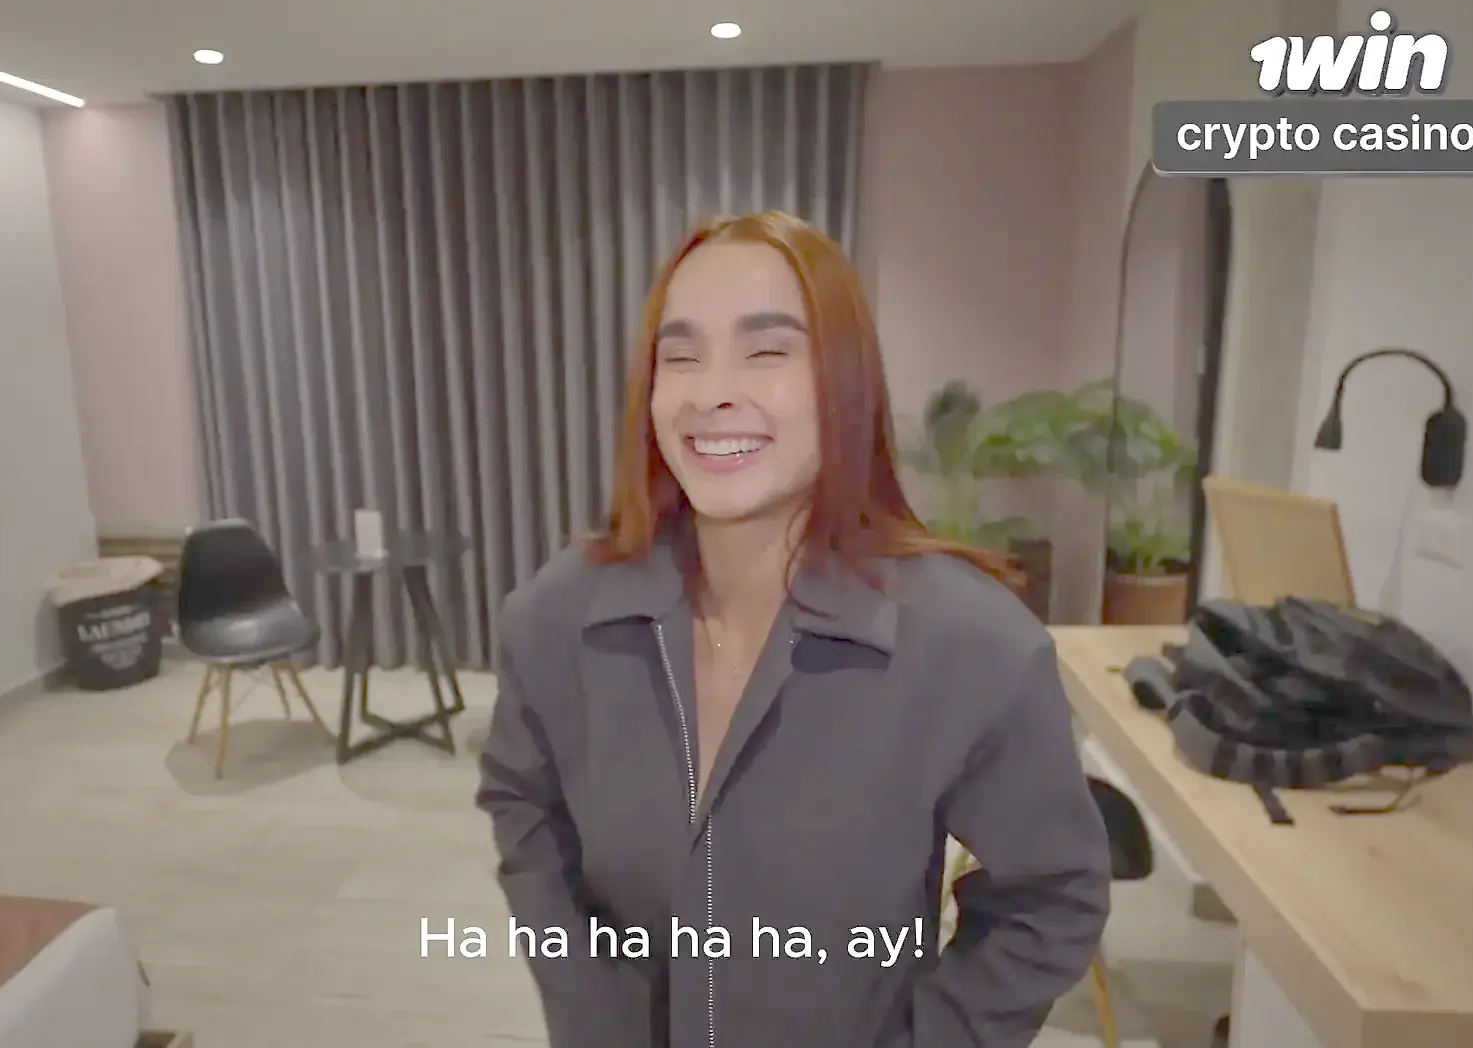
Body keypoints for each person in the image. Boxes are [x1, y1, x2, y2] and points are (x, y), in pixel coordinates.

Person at [476, 210, 1112, 1048]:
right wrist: (590, 1008)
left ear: (844, 383)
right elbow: (525, 804)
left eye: (766, 350)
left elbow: (1051, 895)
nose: (711, 392)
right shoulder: (555, 619)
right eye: (680, 356)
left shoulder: (972, 646)